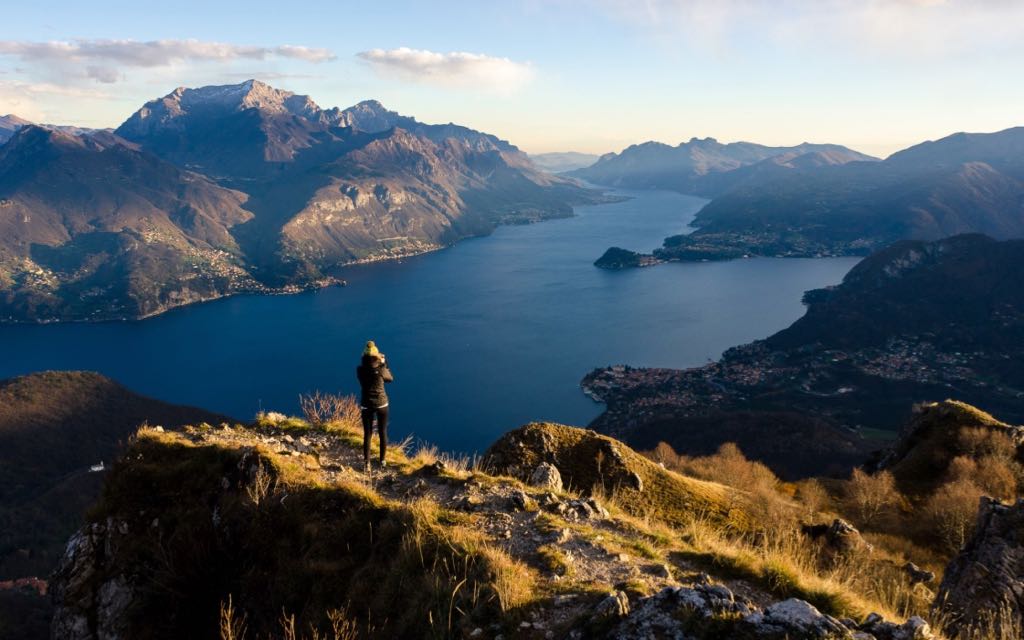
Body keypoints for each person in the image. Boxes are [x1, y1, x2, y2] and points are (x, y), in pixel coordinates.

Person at [356, 340, 393, 472]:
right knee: (382, 432)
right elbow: (390, 379)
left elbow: (368, 370)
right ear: (376, 356)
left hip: (367, 404)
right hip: (382, 404)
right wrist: (384, 363)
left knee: (368, 434)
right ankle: (382, 461)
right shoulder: (381, 369)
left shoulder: (360, 370)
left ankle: (367, 464)